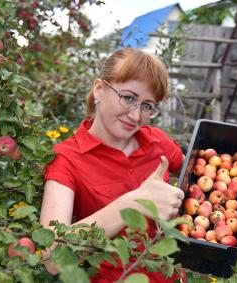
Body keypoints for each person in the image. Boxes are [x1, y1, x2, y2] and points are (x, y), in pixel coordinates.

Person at [40, 47, 185, 282]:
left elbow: (194, 173)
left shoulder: (158, 142)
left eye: (147, 106)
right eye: (128, 98)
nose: (136, 116)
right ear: (99, 89)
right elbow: (52, 257)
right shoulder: (66, 158)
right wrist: (135, 202)